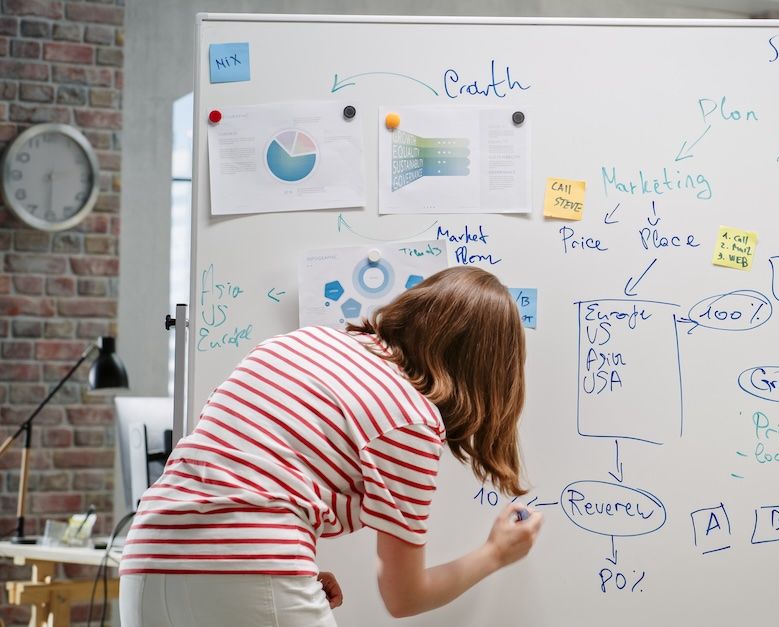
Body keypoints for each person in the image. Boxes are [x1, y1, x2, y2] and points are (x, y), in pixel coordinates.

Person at [119, 267, 543, 626]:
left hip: (146, 560)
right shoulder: (410, 416)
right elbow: (404, 597)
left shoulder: (303, 342)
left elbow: (234, 471)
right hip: (253, 565)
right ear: (484, 371)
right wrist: (495, 553)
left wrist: (286, 566)